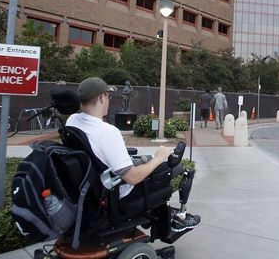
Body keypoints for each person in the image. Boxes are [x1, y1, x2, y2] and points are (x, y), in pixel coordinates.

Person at [66, 77, 200, 232]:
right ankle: (179, 217)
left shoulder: (73, 121)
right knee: (177, 170)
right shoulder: (108, 132)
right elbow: (132, 178)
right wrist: (158, 158)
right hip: (117, 194)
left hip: (92, 186)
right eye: (108, 96)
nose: (108, 99)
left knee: (147, 163)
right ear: (101, 97)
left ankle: (168, 213)